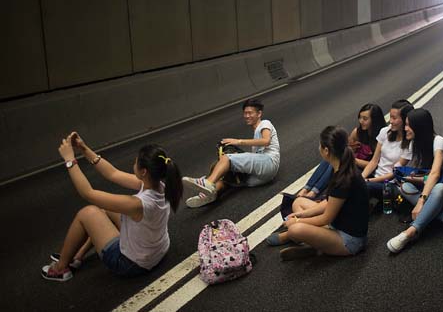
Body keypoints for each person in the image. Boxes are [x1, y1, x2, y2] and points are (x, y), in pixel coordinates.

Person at [42, 133, 183, 281]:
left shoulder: (137, 204)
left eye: (136, 161)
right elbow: (112, 173)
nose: (134, 162)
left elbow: (88, 193)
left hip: (131, 264)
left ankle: (60, 268)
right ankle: (76, 256)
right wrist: (84, 149)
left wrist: (69, 160)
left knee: (87, 213)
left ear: (143, 172)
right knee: (105, 211)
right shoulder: (160, 186)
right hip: (157, 251)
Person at [276, 126, 369, 261]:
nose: (318, 147)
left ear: (326, 150)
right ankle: (317, 244)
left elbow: (326, 218)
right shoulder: (340, 166)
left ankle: (317, 246)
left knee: (295, 229)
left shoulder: (343, 180)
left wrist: (297, 220)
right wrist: (300, 214)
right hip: (337, 226)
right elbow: (329, 202)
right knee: (299, 202)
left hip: (350, 241)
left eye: (320, 145)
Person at [386, 109, 443, 253]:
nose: (405, 129)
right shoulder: (414, 143)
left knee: (439, 188)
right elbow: (418, 174)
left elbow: (435, 174)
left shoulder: (438, 142)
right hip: (425, 189)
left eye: (408, 125)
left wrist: (420, 202)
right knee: (404, 186)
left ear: (419, 126)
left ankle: (411, 232)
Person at [182, 98, 279, 207]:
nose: (246, 116)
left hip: (269, 163)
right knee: (228, 177)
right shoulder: (256, 132)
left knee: (227, 158)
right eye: (245, 113)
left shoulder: (265, 123)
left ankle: (208, 182)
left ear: (259, 113)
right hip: (260, 179)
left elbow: (266, 141)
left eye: (250, 113)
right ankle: (209, 195)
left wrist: (238, 141)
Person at [297, 103, 386, 199]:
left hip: (367, 170)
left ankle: (313, 192)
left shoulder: (381, 138)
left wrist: (354, 160)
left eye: (365, 119)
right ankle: (306, 188)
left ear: (374, 120)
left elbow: (376, 164)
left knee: (336, 160)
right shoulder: (357, 132)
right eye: (360, 117)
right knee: (330, 158)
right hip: (353, 162)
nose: (361, 121)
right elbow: (345, 147)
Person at [361, 99, 413, 200]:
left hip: (391, 184)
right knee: (346, 176)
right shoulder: (385, 132)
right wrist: (362, 177)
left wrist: (368, 181)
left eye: (394, 118)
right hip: (375, 176)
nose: (391, 121)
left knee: (364, 187)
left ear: (405, 120)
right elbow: (374, 161)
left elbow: (394, 174)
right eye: (390, 117)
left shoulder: (409, 143)